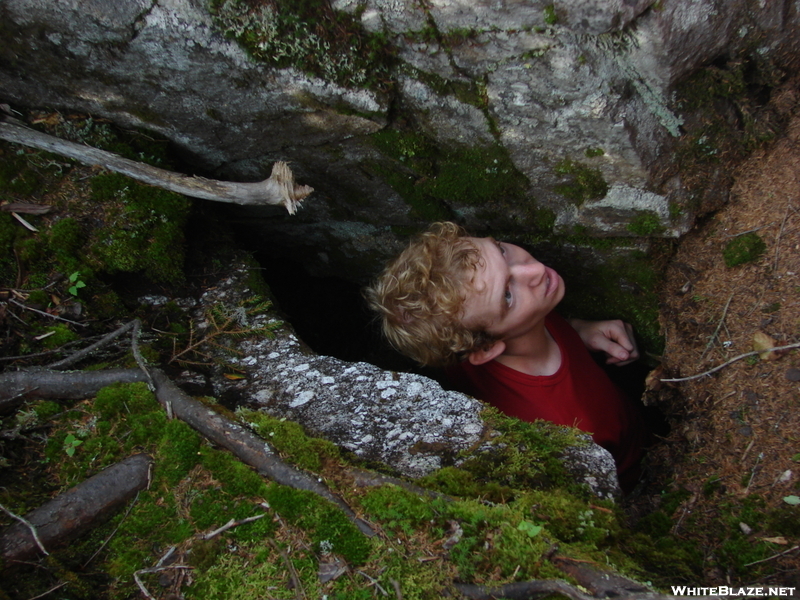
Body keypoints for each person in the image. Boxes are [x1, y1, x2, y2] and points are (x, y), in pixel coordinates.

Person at [365, 221, 648, 490]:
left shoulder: (502, 326)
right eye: (508, 296)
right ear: (487, 348)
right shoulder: (565, 430)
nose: (535, 269)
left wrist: (578, 331)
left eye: (501, 250)